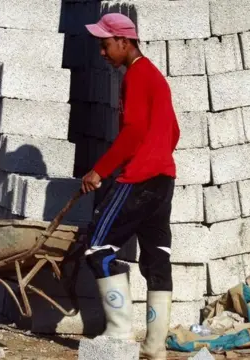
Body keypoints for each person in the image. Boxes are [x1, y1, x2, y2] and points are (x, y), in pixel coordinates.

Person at [81, 13, 180, 360]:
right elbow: (174, 132)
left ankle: (119, 337)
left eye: (106, 45)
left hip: (139, 178)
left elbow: (134, 131)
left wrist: (100, 171)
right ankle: (155, 348)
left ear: (125, 41)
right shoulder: (155, 77)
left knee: (96, 248)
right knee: (157, 258)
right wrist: (156, 156)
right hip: (163, 179)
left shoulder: (136, 76)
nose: (103, 53)